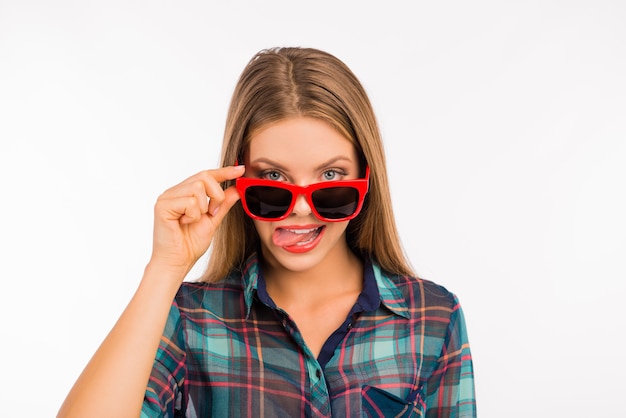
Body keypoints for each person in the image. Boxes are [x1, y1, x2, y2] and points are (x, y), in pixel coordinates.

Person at [57, 47, 476, 417]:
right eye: (273, 178)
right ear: (237, 183)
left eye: (331, 177)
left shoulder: (432, 318)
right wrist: (165, 268)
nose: (299, 208)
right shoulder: (188, 319)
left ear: (367, 182)